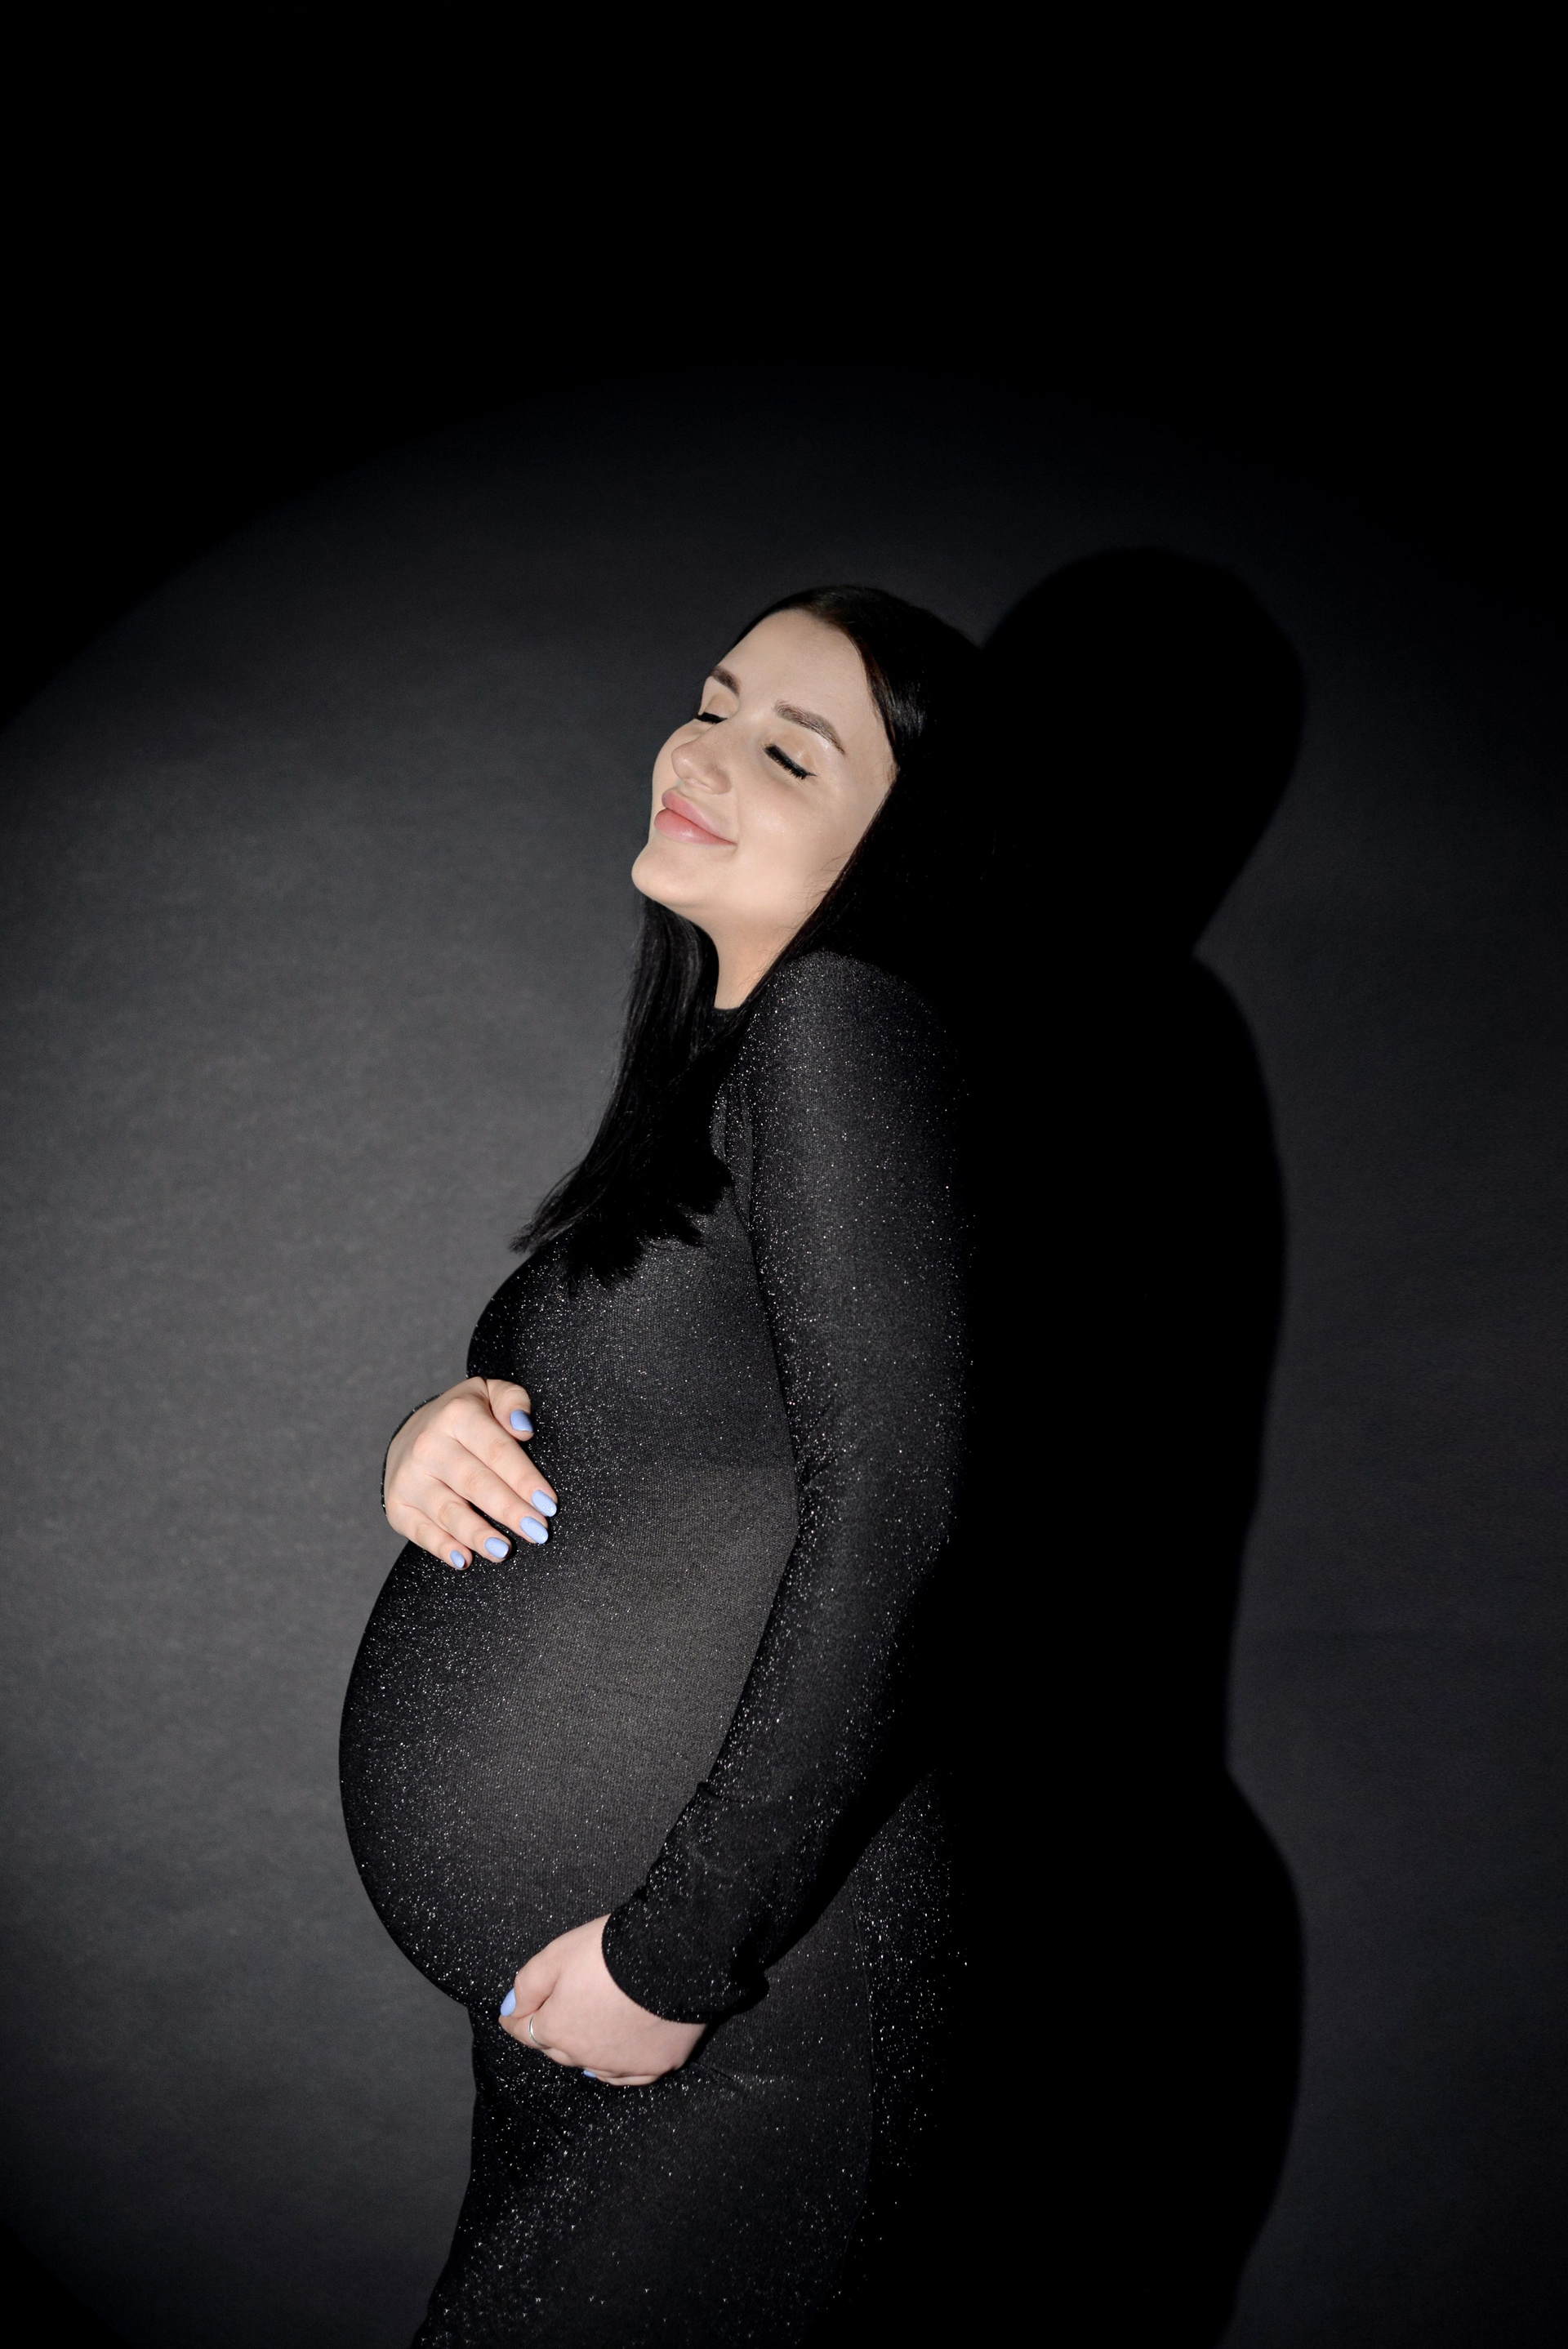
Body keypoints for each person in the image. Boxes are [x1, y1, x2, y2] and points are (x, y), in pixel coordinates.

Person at [341, 586, 982, 2346]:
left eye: (791, 752)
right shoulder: (739, 1075)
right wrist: (435, 1430)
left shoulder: (844, 1019)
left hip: (744, 2003)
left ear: (897, 846)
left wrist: (680, 1951)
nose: (703, 752)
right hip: (631, 2002)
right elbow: (685, 1433)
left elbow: (903, 1514)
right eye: (712, 704)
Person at [978, 550, 1307, 2345]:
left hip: (1024, 1952)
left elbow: (899, 1507)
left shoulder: (973, 1035)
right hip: (1162, 1935)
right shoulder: (1186, 1033)